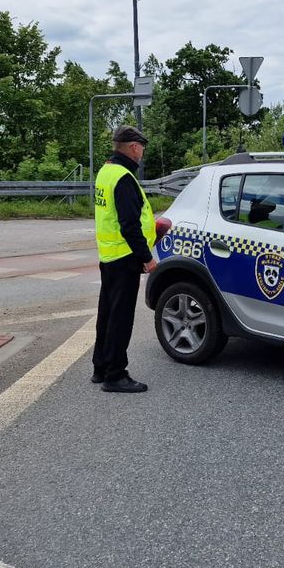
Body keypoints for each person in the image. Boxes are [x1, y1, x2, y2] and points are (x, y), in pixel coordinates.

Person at [91, 125, 158, 392]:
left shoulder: (106, 172)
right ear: (133, 147)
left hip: (109, 255)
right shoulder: (124, 178)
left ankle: (100, 367)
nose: (142, 153)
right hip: (124, 256)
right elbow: (129, 225)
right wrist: (147, 258)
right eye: (141, 148)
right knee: (121, 318)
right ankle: (115, 375)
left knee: (107, 314)